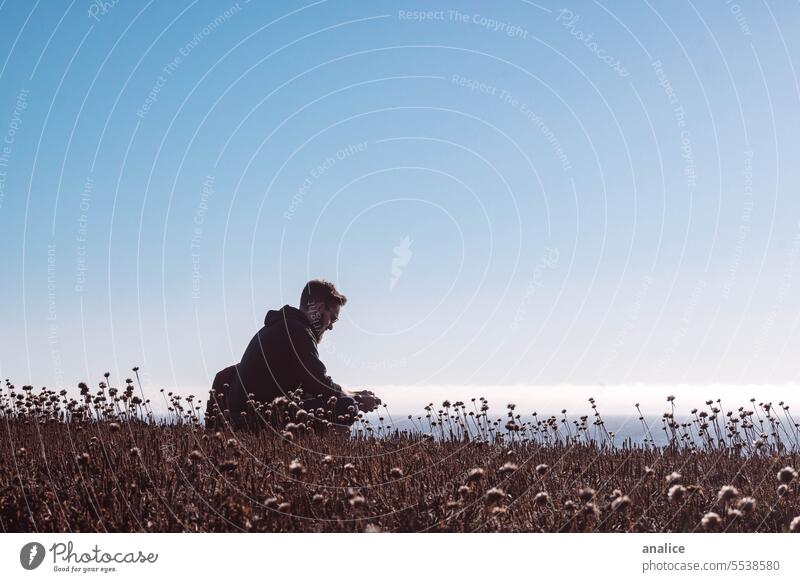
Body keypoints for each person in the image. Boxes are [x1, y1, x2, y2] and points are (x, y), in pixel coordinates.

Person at [218, 279, 380, 429]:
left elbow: (311, 384)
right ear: (320, 308)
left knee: (340, 400)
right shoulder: (299, 332)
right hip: (261, 421)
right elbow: (320, 385)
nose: (331, 327)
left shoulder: (280, 326)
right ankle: (329, 456)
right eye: (332, 318)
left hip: (245, 418)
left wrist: (355, 393)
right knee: (346, 407)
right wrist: (357, 400)